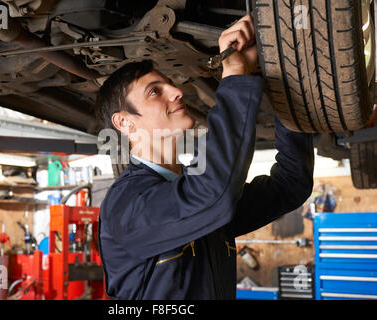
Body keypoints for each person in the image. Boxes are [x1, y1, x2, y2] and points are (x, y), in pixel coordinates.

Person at [96, 15, 314, 299]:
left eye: (170, 84)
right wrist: (234, 75)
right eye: (155, 91)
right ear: (125, 123)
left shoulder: (196, 195)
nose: (177, 91)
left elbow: (290, 185)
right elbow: (211, 193)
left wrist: (281, 89)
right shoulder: (125, 206)